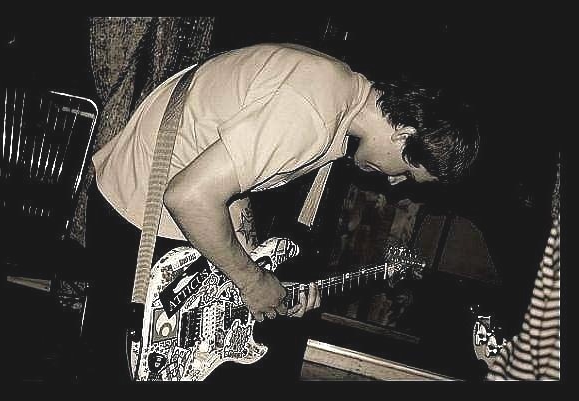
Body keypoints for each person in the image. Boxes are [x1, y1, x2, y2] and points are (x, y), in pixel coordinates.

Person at [81, 43, 480, 382]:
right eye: (407, 172)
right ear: (404, 135)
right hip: (139, 209)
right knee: (117, 372)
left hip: (156, 199)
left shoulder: (339, 93)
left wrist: (263, 266)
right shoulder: (311, 113)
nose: (394, 183)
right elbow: (189, 196)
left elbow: (230, 176)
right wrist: (251, 280)